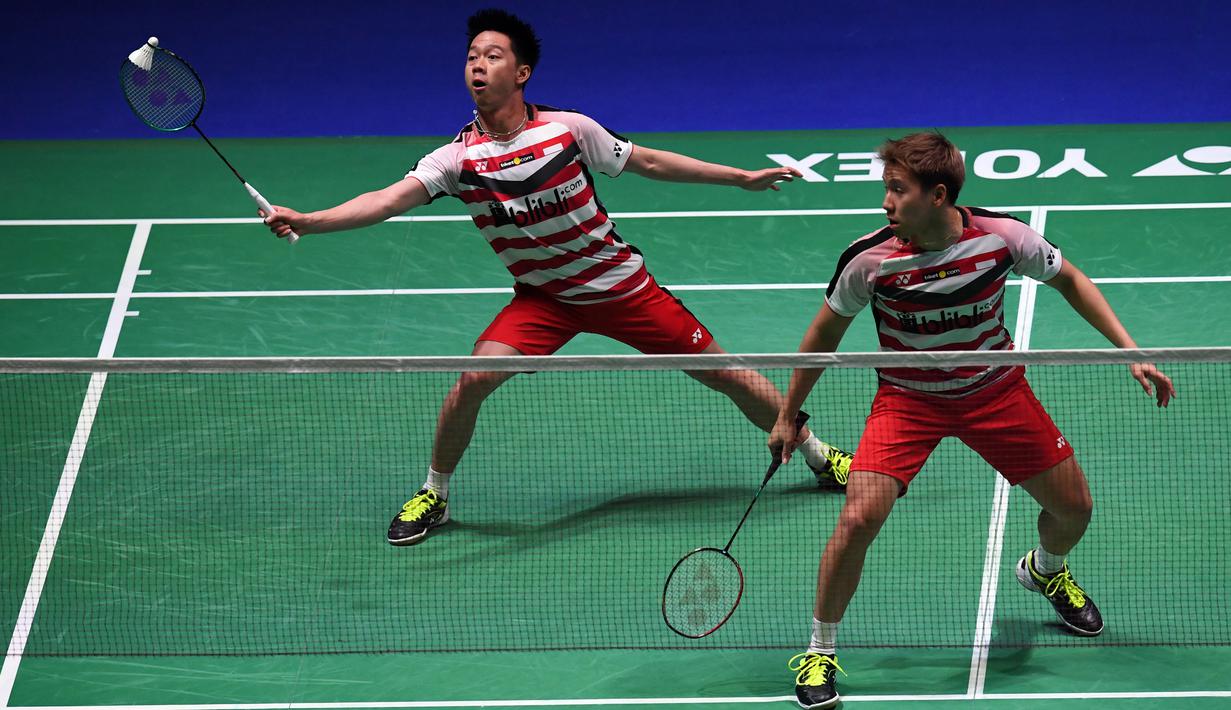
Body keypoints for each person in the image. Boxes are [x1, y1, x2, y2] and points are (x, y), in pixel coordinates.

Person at [263, 9, 853, 547]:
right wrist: (309, 222)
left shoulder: (568, 130)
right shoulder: (455, 159)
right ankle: (435, 493)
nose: (477, 64)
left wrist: (739, 179)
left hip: (621, 287)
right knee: (470, 382)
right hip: (544, 301)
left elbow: (647, 161)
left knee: (726, 373)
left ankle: (819, 456)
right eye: (471, 55)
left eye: (492, 55)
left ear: (520, 73)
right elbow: (387, 200)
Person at [767, 132, 1176, 709]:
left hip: (995, 392)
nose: (886, 202)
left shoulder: (1003, 237)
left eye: (897, 190)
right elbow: (823, 337)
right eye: (886, 187)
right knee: (858, 517)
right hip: (908, 400)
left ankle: (1044, 570)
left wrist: (1132, 352)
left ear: (937, 196)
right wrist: (789, 415)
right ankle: (819, 650)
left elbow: (1073, 281)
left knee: (1075, 508)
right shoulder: (870, 259)